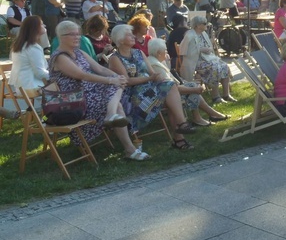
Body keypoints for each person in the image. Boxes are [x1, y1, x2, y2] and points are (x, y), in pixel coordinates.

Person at [50, 20, 148, 160]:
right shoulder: (60, 57)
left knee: (118, 84)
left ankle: (119, 130)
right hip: (73, 100)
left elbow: (100, 68)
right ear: (61, 36)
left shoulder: (79, 52)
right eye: (72, 34)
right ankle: (122, 135)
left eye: (78, 34)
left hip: (90, 93)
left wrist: (117, 77)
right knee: (116, 98)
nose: (77, 37)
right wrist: (111, 80)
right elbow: (81, 75)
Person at [109, 24, 195, 149]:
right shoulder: (115, 59)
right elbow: (127, 81)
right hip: (134, 98)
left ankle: (180, 135)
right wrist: (149, 79)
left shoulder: (139, 53)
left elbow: (152, 73)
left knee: (169, 88)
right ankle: (180, 133)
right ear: (120, 40)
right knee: (169, 91)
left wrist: (158, 77)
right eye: (129, 34)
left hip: (151, 90)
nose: (133, 36)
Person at [147, 39, 228, 126]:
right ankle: (206, 116)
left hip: (170, 91)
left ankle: (205, 116)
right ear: (159, 53)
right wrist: (194, 89)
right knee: (192, 89)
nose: (167, 53)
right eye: (165, 50)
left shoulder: (157, 60)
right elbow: (170, 87)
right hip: (165, 96)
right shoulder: (155, 66)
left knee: (192, 86)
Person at [179, 15, 234, 103]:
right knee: (214, 68)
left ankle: (226, 94)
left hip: (207, 58)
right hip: (195, 61)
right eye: (204, 23)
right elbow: (184, 50)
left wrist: (209, 46)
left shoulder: (203, 34)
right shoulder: (189, 35)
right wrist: (200, 50)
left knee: (224, 66)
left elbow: (209, 46)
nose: (206, 25)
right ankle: (216, 97)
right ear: (197, 25)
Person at [9, 16, 49, 91]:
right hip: (31, 86)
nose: (44, 26)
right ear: (35, 28)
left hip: (21, 86)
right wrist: (57, 76)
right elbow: (40, 73)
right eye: (41, 24)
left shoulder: (20, 44)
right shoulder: (32, 47)